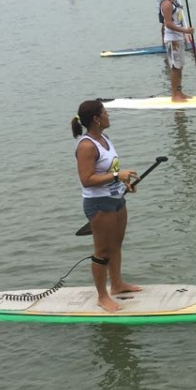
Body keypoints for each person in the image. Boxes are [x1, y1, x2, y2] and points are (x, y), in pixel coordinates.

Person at [72, 100, 140, 312]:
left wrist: (123, 182)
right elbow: (87, 179)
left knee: (116, 244)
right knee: (103, 251)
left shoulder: (105, 139)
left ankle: (117, 285)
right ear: (96, 119)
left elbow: (109, 172)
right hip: (99, 203)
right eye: (105, 112)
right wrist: (117, 175)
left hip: (116, 199)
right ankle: (102, 296)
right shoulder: (86, 146)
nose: (108, 115)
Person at [160, 0, 196, 101]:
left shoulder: (174, 2)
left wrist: (184, 35)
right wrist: (185, 31)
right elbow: (168, 24)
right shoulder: (167, 4)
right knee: (175, 67)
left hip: (178, 38)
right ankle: (174, 95)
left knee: (180, 66)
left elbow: (178, 20)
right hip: (172, 40)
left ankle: (179, 92)